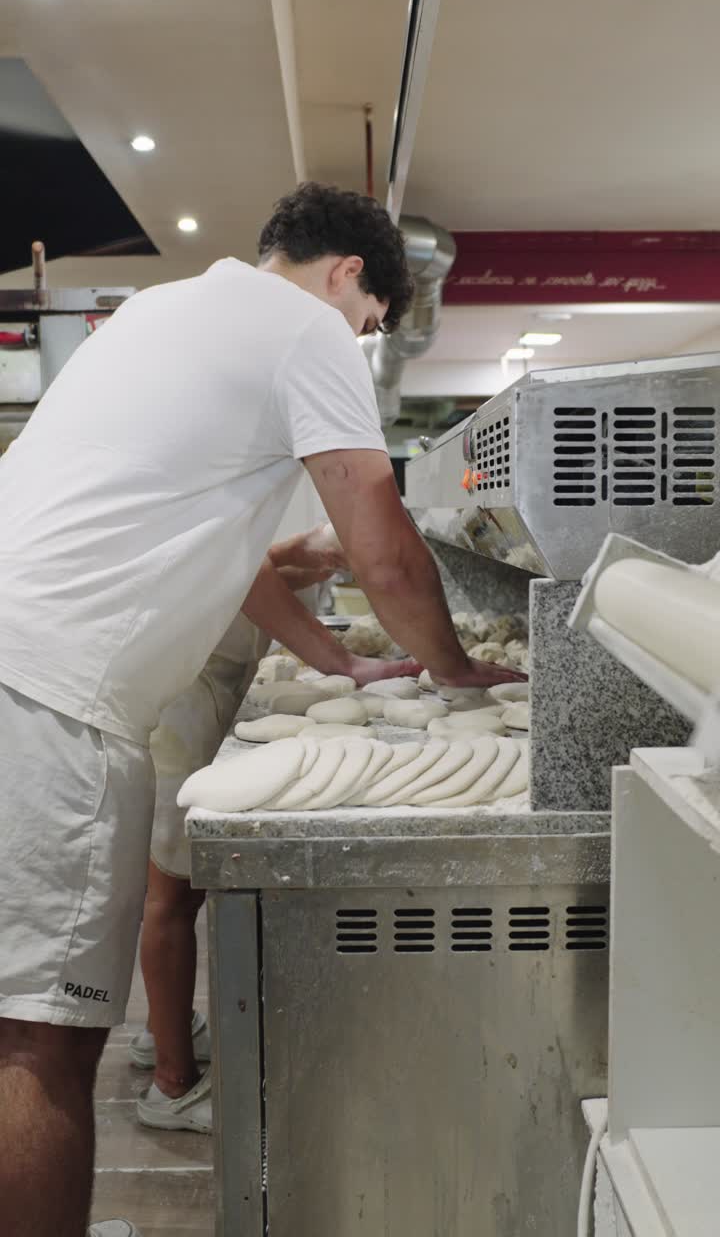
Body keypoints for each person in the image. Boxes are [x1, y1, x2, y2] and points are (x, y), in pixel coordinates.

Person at [0, 181, 523, 1237]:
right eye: (373, 323)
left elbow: (228, 559)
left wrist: (337, 656)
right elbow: (382, 545)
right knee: (43, 1041)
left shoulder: (162, 310)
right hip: (51, 700)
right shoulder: (305, 329)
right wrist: (457, 669)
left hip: (18, 664)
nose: (365, 341)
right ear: (348, 277)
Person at [131, 524, 405, 1134]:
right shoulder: (207, 443)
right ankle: (171, 1087)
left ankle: (163, 1033)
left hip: (204, 673)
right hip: (185, 686)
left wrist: (282, 560)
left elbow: (217, 562)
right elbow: (230, 563)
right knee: (171, 894)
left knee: (176, 887)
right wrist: (342, 662)